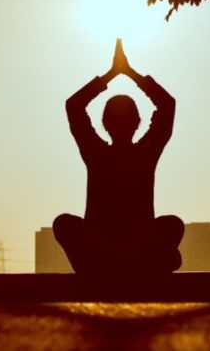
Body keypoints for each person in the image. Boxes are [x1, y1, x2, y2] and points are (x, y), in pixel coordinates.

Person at [53, 39, 184, 274]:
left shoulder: (121, 152)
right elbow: (166, 105)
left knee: (173, 224)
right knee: (64, 223)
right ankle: (127, 261)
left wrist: (116, 74)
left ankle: (120, 260)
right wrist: (125, 73)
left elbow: (74, 106)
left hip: (125, 245)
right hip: (106, 244)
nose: (121, 124)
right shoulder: (103, 152)